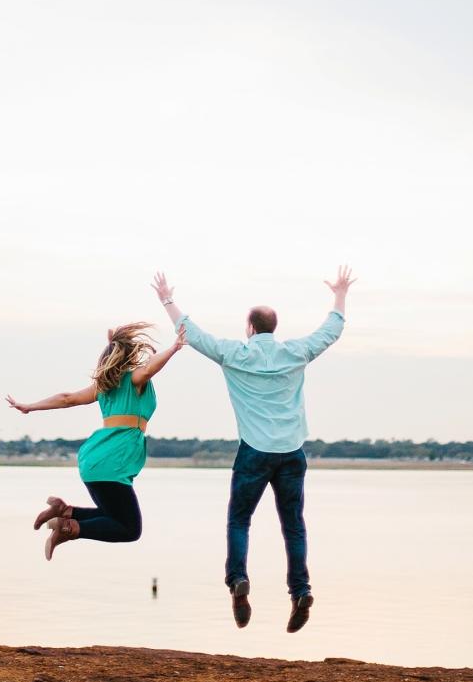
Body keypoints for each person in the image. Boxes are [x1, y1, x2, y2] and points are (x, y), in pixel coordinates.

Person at [151, 267, 355, 633]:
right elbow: (332, 330)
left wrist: (167, 299)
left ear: (250, 328)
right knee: (293, 525)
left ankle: (238, 581)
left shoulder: (234, 354)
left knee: (239, 519)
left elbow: (192, 334)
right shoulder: (296, 352)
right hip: (292, 453)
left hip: (254, 452)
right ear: (273, 328)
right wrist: (339, 293)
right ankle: (301, 590)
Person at [5, 322, 186, 560]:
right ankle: (69, 529)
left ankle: (64, 511)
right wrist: (174, 348)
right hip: (112, 462)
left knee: (111, 516)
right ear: (129, 356)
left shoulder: (103, 386)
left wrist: (31, 407)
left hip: (95, 461)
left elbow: (68, 398)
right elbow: (151, 367)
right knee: (130, 529)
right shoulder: (135, 379)